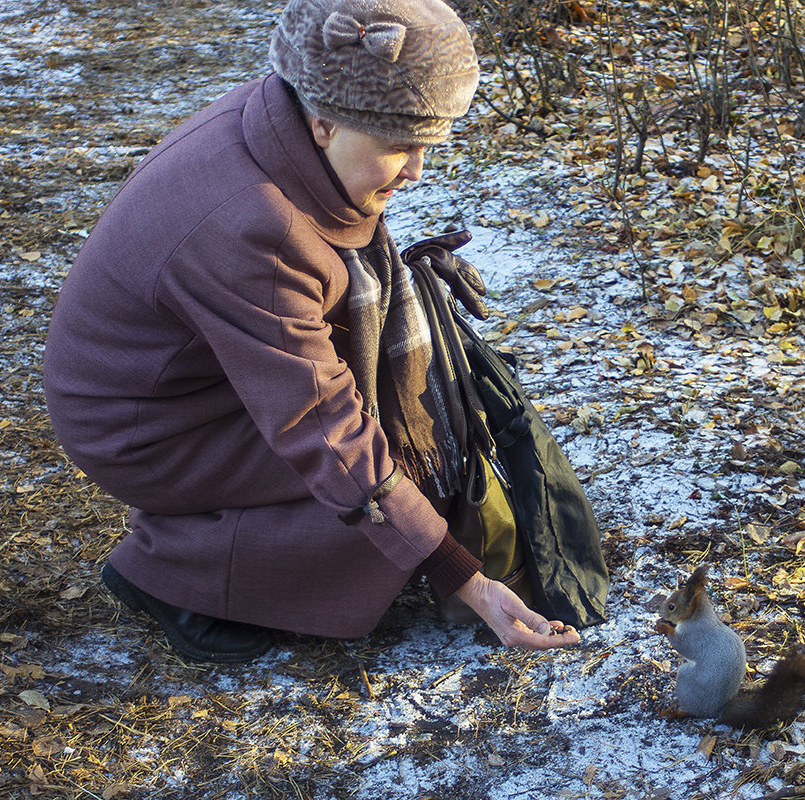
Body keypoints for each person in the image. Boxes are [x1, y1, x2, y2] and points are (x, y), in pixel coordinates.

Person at [42, 0, 580, 663]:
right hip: (144, 428)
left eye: (425, 145)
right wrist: (459, 573)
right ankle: (175, 575)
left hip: (191, 380)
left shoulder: (282, 121)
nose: (417, 171)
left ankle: (229, 546)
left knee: (398, 457)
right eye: (399, 146)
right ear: (325, 123)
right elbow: (322, 426)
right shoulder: (258, 228)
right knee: (390, 483)